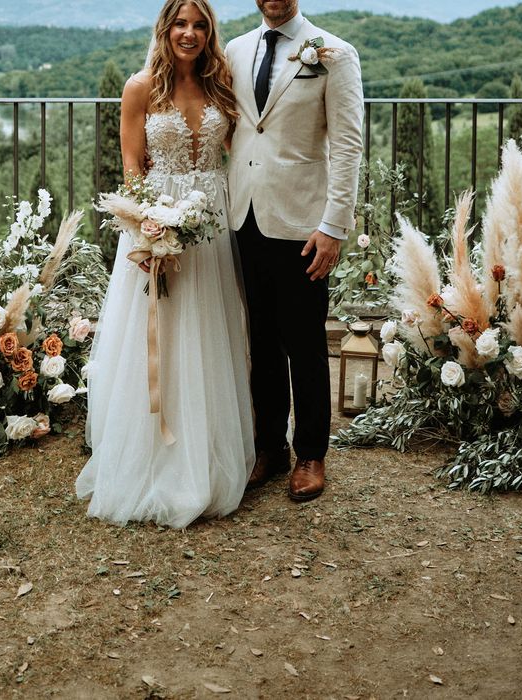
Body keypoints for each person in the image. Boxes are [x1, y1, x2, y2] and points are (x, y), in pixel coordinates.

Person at [75, 0, 255, 529]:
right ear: (165, 28)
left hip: (213, 226)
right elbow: (132, 164)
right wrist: (150, 226)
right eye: (181, 23)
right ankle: (151, 456)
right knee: (158, 332)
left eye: (200, 25)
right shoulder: (140, 88)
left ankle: (209, 451)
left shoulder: (222, 86)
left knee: (209, 331)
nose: (190, 33)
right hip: (159, 226)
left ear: (209, 33)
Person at [226, 0, 364, 501]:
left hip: (304, 225)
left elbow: (348, 146)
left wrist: (334, 226)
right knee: (258, 340)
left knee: (305, 342)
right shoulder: (235, 51)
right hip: (242, 217)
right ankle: (269, 447)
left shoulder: (335, 54)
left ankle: (310, 453)